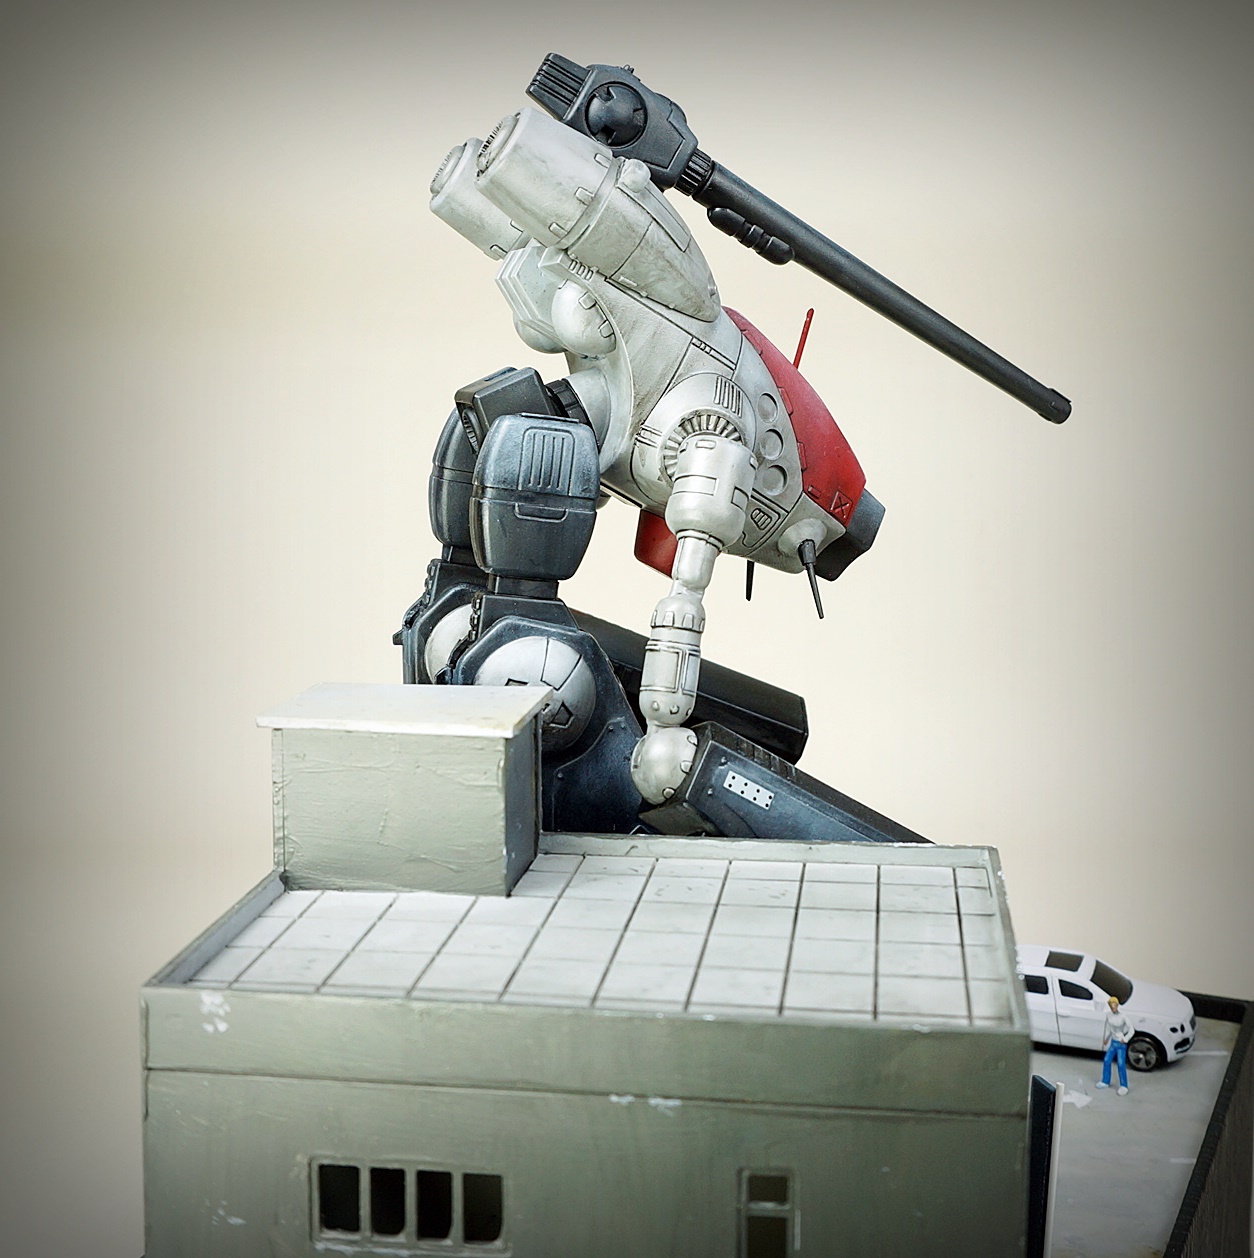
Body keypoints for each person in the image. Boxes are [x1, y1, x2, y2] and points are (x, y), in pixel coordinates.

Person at [1096, 995, 1134, 1095]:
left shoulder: (1123, 1017)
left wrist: (1125, 1039)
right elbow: (1109, 1029)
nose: (1113, 1007)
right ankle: (1105, 1081)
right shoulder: (1108, 1015)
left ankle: (1124, 1085)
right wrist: (1106, 1038)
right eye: (1111, 1005)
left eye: (1114, 1004)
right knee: (1107, 1060)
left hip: (1121, 1044)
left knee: (1121, 1064)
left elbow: (1131, 1030)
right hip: (1113, 1042)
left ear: (1117, 1005)